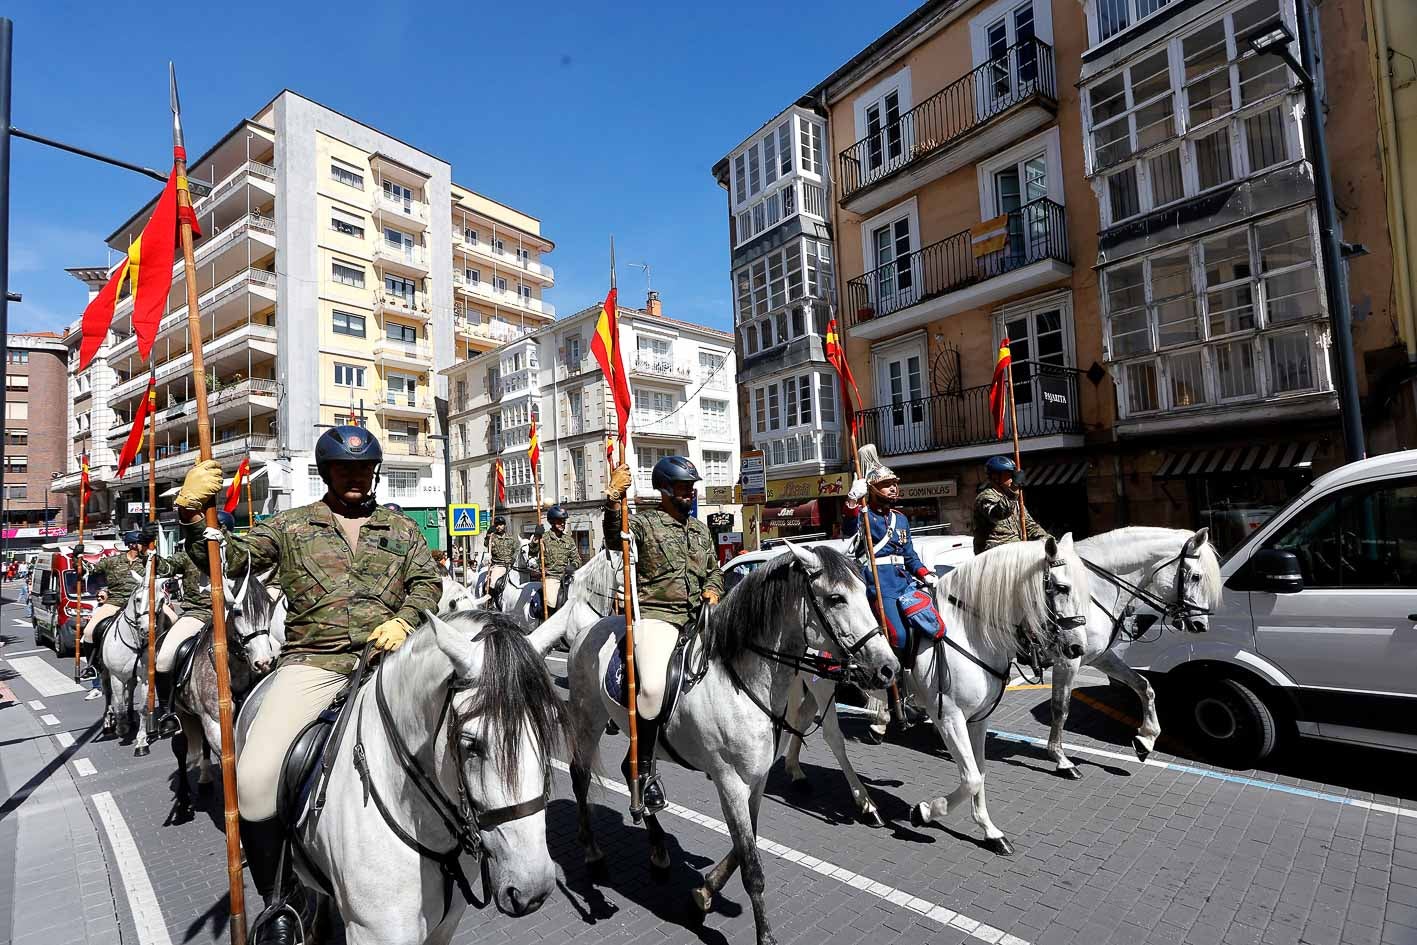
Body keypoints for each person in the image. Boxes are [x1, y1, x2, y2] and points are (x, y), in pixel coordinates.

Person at [171, 425, 441, 940]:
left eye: (363, 469)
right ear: (328, 473)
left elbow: (428, 583)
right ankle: (282, 901)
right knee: (252, 784)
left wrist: (406, 619)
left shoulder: (401, 530)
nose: (356, 478)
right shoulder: (290, 527)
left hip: (391, 662)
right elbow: (227, 560)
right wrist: (190, 516)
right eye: (345, 469)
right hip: (313, 666)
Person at [603, 455, 723, 817]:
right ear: (666, 490)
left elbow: (714, 571)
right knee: (653, 690)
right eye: (685, 487)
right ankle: (644, 770)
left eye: (692, 487)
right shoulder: (642, 523)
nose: (691, 493)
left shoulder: (700, 530)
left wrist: (714, 590)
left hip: (699, 617)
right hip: (658, 618)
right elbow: (614, 540)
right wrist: (612, 500)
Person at [845, 447, 940, 744]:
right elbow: (847, 532)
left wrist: (925, 574)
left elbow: (909, 556)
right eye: (887, 484)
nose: (894, 488)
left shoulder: (901, 518)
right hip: (878, 584)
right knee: (897, 637)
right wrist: (851, 501)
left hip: (904, 585)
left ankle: (918, 691)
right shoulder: (864, 515)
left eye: (894, 483)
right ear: (871, 490)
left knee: (930, 628)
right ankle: (883, 701)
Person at [152, 511, 233, 733]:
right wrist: (150, 553)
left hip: (231, 614)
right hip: (197, 614)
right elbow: (163, 568)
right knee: (164, 658)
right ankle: (168, 712)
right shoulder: (188, 555)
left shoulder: (236, 555)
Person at [80, 523, 159, 678]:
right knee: (89, 632)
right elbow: (89, 569)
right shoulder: (112, 561)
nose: (144, 547)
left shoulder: (148, 562)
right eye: (142, 544)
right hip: (116, 602)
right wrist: (78, 558)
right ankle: (93, 666)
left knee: (172, 619)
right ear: (132, 545)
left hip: (142, 603)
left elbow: (162, 568)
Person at [972, 455, 1050, 555]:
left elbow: (1030, 526)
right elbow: (998, 513)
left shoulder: (1014, 500)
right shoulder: (985, 497)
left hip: (1015, 552)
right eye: (1009, 474)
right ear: (995, 477)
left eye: (1014, 475)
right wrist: (1014, 489)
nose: (1013, 478)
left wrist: (1048, 541)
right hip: (993, 554)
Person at [533, 505, 582, 617]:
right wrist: (536, 537)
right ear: (552, 522)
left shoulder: (568, 540)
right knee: (552, 601)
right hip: (551, 576)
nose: (563, 524)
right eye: (559, 521)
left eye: (564, 521)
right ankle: (550, 622)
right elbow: (532, 552)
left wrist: (573, 566)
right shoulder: (544, 538)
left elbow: (577, 559)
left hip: (567, 577)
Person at [486, 516, 519, 607]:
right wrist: (488, 534)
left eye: (501, 525)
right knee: (493, 583)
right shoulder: (492, 537)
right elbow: (486, 545)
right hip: (498, 565)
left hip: (511, 565)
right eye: (497, 525)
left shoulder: (511, 538)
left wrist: (513, 558)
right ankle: (491, 601)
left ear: (504, 525)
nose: (499, 527)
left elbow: (517, 549)